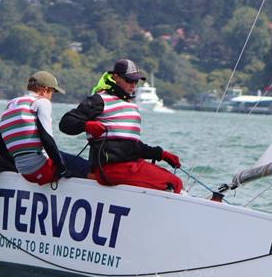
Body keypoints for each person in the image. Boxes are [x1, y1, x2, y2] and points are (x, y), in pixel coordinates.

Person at [59, 59, 183, 193]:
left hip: (131, 166)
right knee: (172, 183)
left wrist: (160, 154)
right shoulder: (99, 100)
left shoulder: (132, 106)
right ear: (115, 77)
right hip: (111, 169)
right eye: (129, 80)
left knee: (176, 182)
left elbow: (131, 147)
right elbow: (66, 123)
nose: (133, 85)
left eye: (136, 81)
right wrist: (86, 125)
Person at [0, 71, 90, 185]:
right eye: (52, 92)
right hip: (42, 168)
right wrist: (62, 168)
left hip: (23, 171)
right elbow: (47, 138)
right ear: (45, 90)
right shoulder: (42, 102)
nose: (51, 97)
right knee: (87, 167)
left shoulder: (12, 104)